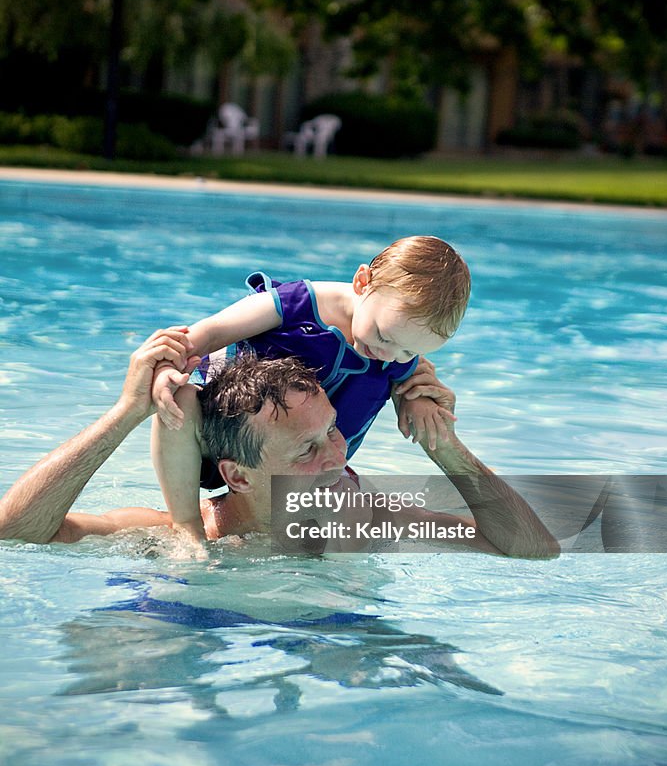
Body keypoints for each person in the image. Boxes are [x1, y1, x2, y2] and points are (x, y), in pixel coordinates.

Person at [0, 330, 559, 559]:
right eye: (305, 451)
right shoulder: (174, 535)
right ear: (236, 475)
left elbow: (532, 549)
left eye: (333, 431)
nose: (337, 458)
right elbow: (16, 533)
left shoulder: (363, 524)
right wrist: (125, 414)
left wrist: (445, 447)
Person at [151, 236, 472, 539]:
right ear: (363, 283)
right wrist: (169, 366)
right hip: (223, 441)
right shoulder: (299, 304)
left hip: (303, 473)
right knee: (178, 398)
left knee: (351, 508)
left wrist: (419, 401)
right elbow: (209, 332)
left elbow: (413, 374)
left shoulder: (397, 342)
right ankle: (187, 527)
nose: (389, 356)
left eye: (409, 351)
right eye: (384, 336)